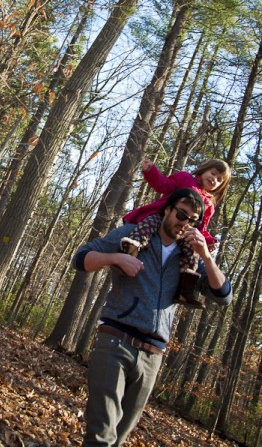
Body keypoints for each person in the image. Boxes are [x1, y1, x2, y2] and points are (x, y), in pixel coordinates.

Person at [72, 188, 232, 447]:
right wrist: (116, 258)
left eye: (192, 220)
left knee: (118, 438)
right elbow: (80, 259)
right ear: (167, 209)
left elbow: (223, 295)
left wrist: (206, 257)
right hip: (115, 341)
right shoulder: (132, 235)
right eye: (181, 214)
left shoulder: (189, 257)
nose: (184, 223)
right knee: (101, 435)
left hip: (153, 355)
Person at [120, 158, 231, 308]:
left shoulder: (209, 205)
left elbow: (201, 228)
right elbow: (163, 185)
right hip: (163, 217)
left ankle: (185, 288)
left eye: (219, 180)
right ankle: (130, 252)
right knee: (148, 225)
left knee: (192, 253)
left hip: (184, 232)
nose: (214, 179)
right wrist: (151, 171)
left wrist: (208, 240)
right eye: (213, 173)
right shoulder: (185, 178)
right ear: (204, 169)